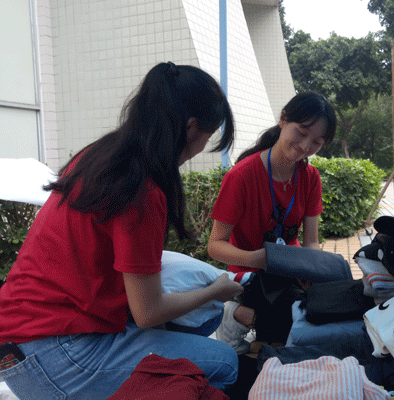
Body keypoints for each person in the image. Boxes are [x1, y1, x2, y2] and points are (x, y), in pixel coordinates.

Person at [0, 62, 244, 399]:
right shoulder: (140, 189)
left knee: (201, 320)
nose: (204, 146)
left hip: (18, 339)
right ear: (190, 128)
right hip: (55, 354)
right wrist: (215, 291)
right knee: (225, 362)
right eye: (208, 136)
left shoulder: (101, 156)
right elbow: (148, 313)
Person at [207, 91, 337, 353]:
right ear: (283, 119)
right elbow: (215, 246)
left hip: (290, 270)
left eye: (316, 142)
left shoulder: (310, 177)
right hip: (250, 272)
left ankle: (259, 325)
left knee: (327, 308)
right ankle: (235, 314)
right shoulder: (241, 176)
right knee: (290, 321)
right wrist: (259, 259)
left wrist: (312, 269)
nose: (305, 147)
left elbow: (311, 242)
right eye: (301, 132)